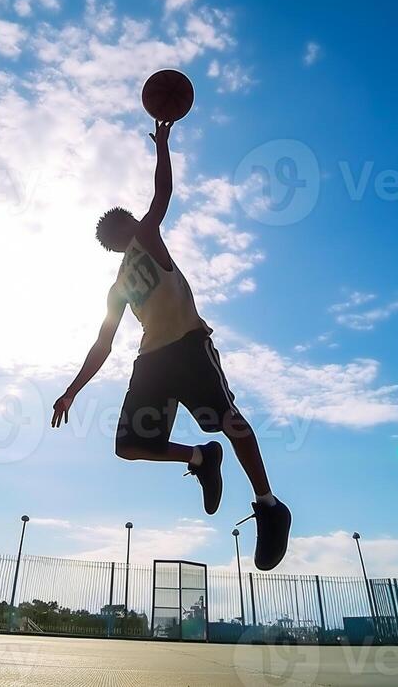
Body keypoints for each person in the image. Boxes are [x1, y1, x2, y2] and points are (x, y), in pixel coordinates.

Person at [52, 120, 291, 570]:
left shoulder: (147, 238)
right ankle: (202, 458)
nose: (138, 221)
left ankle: (269, 505)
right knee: (128, 444)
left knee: (227, 418)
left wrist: (163, 146)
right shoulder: (119, 283)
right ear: (118, 237)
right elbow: (102, 344)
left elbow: (162, 194)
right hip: (151, 362)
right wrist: (72, 390)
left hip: (187, 345)